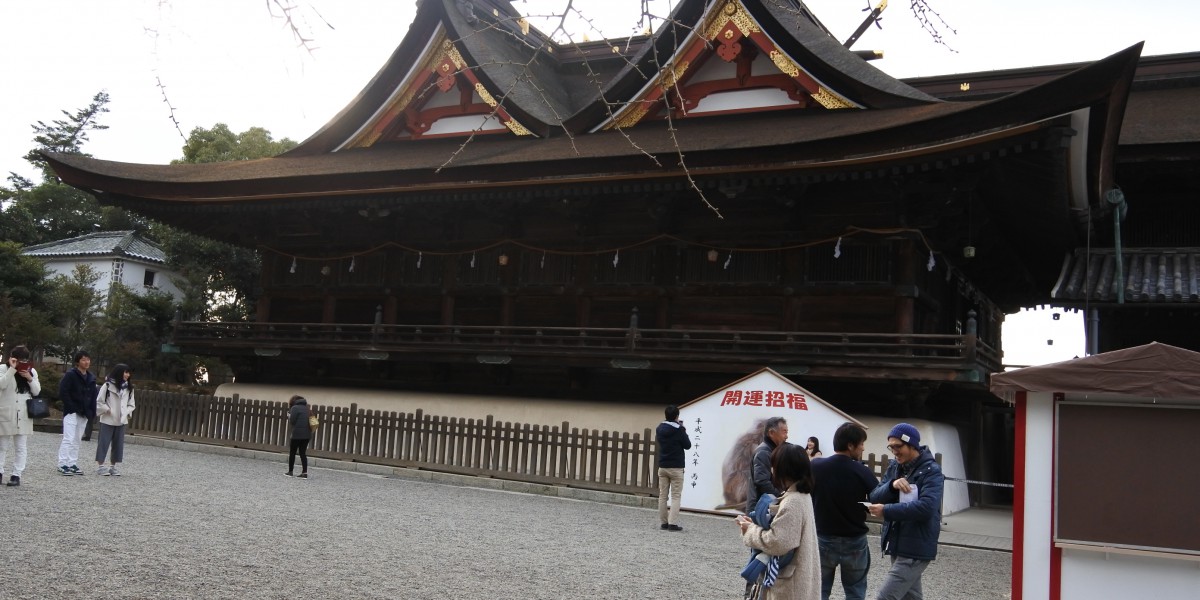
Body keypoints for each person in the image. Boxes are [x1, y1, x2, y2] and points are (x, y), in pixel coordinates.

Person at [867, 423, 945, 600]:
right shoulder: (895, 467)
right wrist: (892, 486)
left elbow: (927, 507)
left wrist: (887, 510)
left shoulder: (931, 471)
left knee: (886, 597)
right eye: (891, 447)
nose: (894, 451)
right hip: (897, 542)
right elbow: (874, 496)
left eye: (898, 446)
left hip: (916, 545)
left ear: (913, 445)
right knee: (911, 597)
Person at [735, 442, 821, 600]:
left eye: (773, 465)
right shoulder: (802, 495)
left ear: (783, 469)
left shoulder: (793, 501)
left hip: (790, 587)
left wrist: (750, 530)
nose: (771, 469)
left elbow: (778, 542)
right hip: (798, 578)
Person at [811, 423, 878, 600]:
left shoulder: (816, 466)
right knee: (855, 592)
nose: (863, 448)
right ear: (850, 445)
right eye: (861, 443)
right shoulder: (862, 471)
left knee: (819, 591)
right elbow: (877, 498)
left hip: (823, 537)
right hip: (854, 540)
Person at [0, 346, 41, 486]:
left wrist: (30, 378)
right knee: (2, 445)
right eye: (18, 360)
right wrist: (12, 369)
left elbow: (36, 392)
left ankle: (16, 475)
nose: (20, 363)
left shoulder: (31, 371)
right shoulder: (3, 369)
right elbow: (1, 384)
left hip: (23, 412)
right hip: (6, 410)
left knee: (21, 446)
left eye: (24, 360)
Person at [57, 350, 97, 476]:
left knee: (77, 439)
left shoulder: (91, 377)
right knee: (68, 437)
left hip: (84, 412)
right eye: (83, 359)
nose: (86, 362)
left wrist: (92, 411)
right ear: (78, 361)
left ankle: (72, 462)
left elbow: (93, 395)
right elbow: (63, 391)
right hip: (72, 411)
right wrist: (71, 406)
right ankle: (62, 463)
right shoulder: (71, 375)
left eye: (88, 359)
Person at [656, 404, 692, 531]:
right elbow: (688, 445)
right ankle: (672, 523)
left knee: (662, 495)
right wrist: (683, 430)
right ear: (677, 416)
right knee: (675, 496)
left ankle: (664, 522)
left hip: (663, 466)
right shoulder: (679, 430)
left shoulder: (659, 428)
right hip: (676, 467)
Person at [94, 364, 136, 476]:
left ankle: (113, 466)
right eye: (125, 372)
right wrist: (107, 410)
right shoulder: (107, 385)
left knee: (118, 444)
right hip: (108, 419)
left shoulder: (129, 389)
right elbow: (99, 401)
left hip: (121, 420)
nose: (127, 375)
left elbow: (132, 405)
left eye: (128, 372)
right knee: (103, 443)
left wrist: (126, 413)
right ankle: (101, 466)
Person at [746, 416, 789, 515]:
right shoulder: (764, 452)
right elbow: (762, 481)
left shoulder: (772, 450)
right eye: (784, 432)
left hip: (765, 506)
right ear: (771, 433)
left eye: (787, 432)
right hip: (759, 508)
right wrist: (780, 497)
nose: (786, 436)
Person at [286, 395, 313, 478]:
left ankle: (290, 471)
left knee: (292, 453)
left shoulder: (294, 408)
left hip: (297, 434)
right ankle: (304, 472)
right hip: (307, 435)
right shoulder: (307, 408)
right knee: (303, 453)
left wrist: (289, 416)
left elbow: (292, 421)